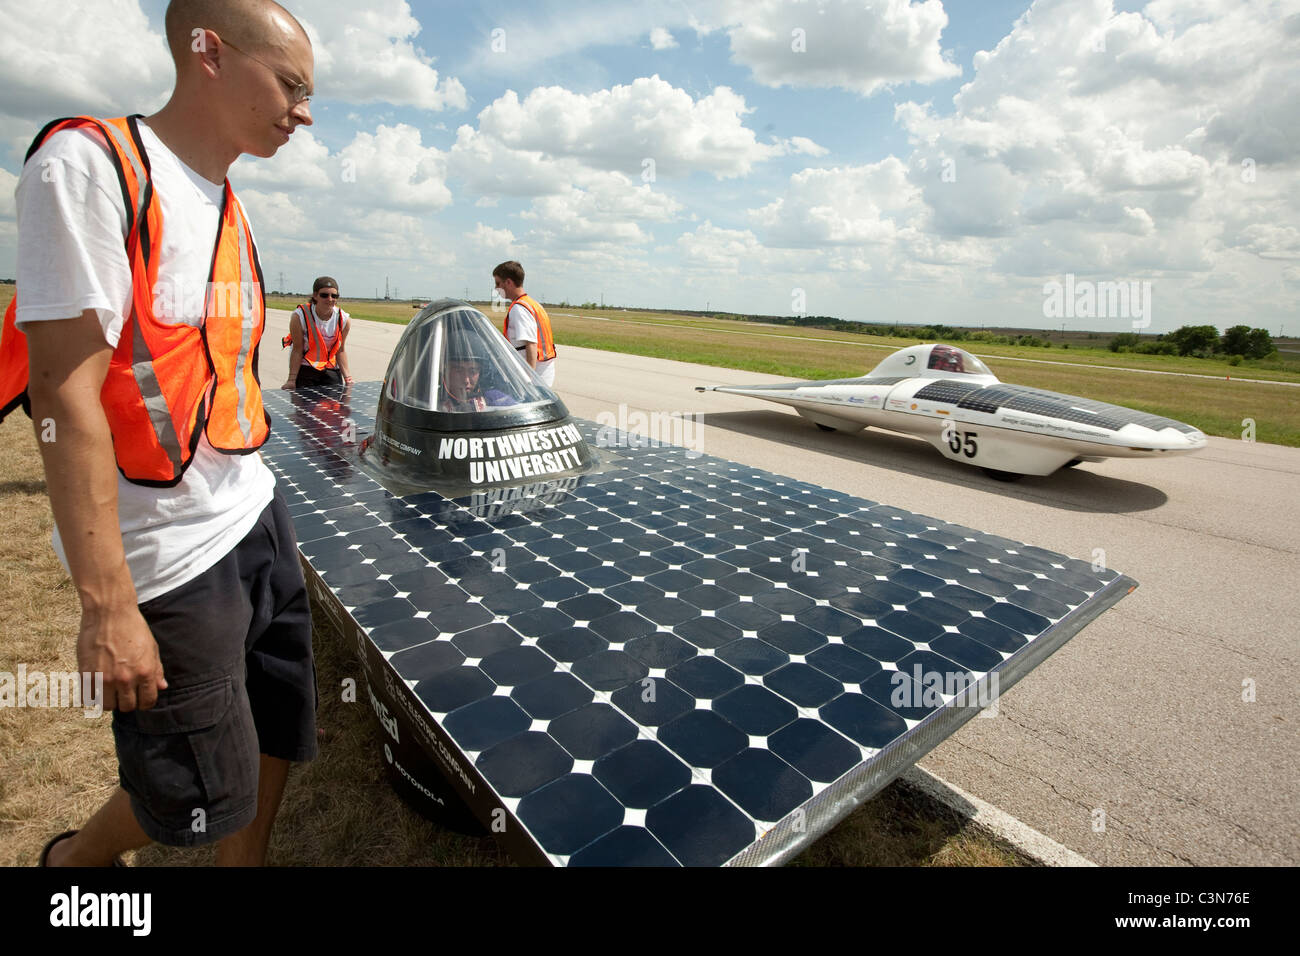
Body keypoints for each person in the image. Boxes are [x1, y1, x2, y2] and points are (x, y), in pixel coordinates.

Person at [0, 0, 318, 866]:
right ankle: (70, 866)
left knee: (276, 724)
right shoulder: (92, 168)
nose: (304, 110)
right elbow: (65, 400)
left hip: (251, 514)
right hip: (165, 556)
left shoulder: (228, 204)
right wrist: (109, 606)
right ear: (207, 51)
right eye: (290, 84)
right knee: (188, 784)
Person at [492, 260, 557, 387]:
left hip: (535, 379)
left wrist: (528, 380)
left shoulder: (519, 309)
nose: (496, 288)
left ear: (508, 282)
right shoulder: (532, 304)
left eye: (498, 283)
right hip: (544, 372)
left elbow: (531, 345)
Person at [281, 276, 353, 388]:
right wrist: (291, 380)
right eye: (324, 295)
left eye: (334, 296)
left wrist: (348, 379)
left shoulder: (343, 319)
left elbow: (340, 350)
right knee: (306, 404)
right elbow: (297, 349)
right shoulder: (300, 316)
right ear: (315, 296)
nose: (330, 299)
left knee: (334, 404)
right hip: (307, 368)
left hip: (330, 368)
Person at [438, 352, 517, 412]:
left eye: (473, 371)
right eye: (459, 370)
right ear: (446, 372)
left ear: (480, 373)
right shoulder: (433, 400)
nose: (466, 380)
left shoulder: (494, 398)